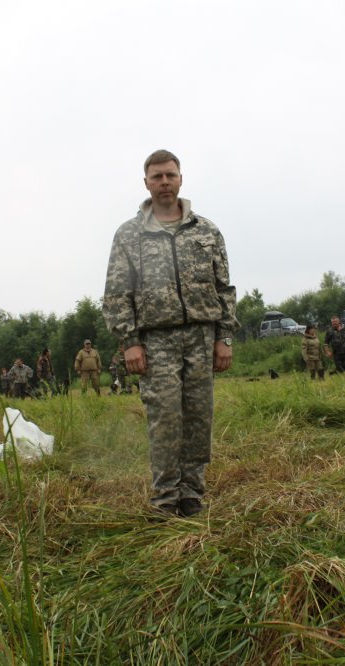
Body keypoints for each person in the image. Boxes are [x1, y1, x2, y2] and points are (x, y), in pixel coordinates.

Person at [103, 149, 239, 518]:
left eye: (170, 175)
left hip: (201, 337)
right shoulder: (129, 235)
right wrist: (130, 342)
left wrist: (224, 337)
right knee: (164, 419)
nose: (164, 182)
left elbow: (224, 287)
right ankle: (165, 498)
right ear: (146, 183)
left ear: (181, 179)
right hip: (156, 341)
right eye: (157, 176)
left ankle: (192, 494)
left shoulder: (206, 231)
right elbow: (117, 294)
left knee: (198, 417)